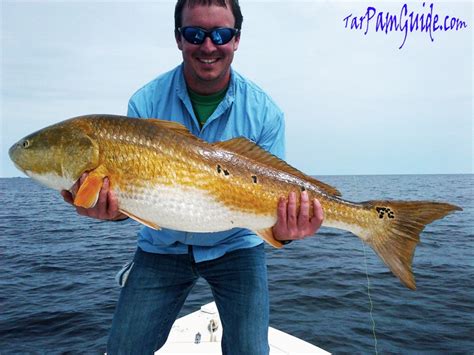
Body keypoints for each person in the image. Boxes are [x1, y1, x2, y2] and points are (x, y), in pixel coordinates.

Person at [61, 0, 323, 353]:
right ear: (179, 38)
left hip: (237, 246)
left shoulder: (265, 113)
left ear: (236, 39)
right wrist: (110, 210)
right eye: (195, 34)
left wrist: (287, 232)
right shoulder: (145, 103)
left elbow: (274, 202)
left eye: (221, 34)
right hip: (162, 247)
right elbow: (134, 197)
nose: (209, 46)